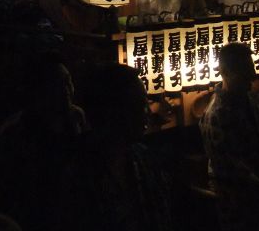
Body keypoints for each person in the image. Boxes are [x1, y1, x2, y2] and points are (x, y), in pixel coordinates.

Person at [0, 55, 86, 229]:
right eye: (56, 84)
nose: (66, 90)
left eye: (68, 82)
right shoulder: (13, 133)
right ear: (38, 89)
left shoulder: (76, 118)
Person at [59, 63, 174, 231]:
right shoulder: (76, 171)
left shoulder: (144, 159)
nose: (148, 112)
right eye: (139, 105)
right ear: (112, 112)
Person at [199, 42, 259, 231]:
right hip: (237, 206)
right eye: (245, 70)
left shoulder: (249, 101)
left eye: (251, 68)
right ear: (226, 73)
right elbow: (233, 170)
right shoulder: (217, 115)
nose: (252, 75)